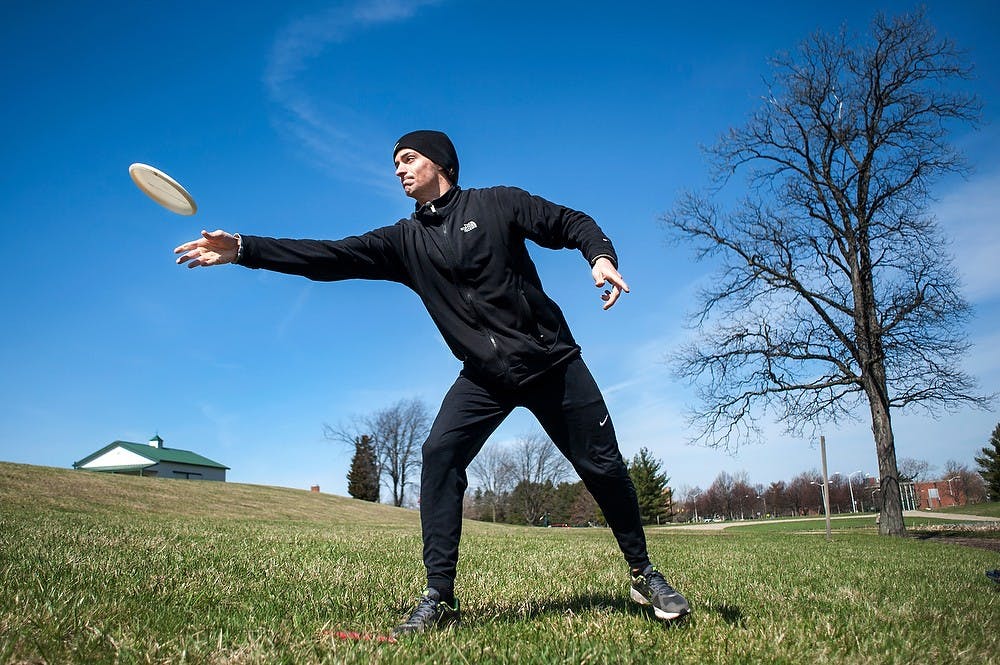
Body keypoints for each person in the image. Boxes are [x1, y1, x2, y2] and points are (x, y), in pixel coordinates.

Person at [174, 130, 690, 633]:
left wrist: (600, 257)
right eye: (395, 162)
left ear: (440, 163)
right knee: (439, 454)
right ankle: (440, 596)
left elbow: (569, 221)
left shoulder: (497, 203)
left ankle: (644, 574)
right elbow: (329, 257)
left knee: (601, 465)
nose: (398, 168)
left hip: (550, 360)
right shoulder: (404, 241)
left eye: (408, 157)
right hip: (484, 377)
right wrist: (243, 248)